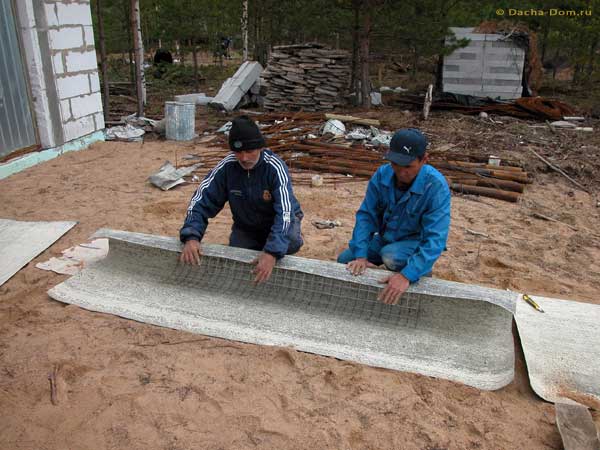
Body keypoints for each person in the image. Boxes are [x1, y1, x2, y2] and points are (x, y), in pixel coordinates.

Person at [179, 115, 304, 284]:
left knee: (289, 243)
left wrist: (272, 253)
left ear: (260, 147)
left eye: (249, 151)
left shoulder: (275, 167)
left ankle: (276, 248)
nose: (244, 158)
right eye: (238, 152)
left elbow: (285, 212)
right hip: (247, 226)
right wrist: (191, 236)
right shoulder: (226, 167)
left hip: (280, 221)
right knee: (238, 258)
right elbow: (200, 200)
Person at [337, 128, 451, 305]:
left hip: (413, 243)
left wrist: (407, 275)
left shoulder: (435, 186)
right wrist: (361, 256)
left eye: (408, 166)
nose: (401, 171)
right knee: (345, 260)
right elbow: (366, 216)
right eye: (396, 164)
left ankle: (421, 270)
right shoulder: (382, 174)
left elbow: (436, 238)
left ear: (424, 160)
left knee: (390, 256)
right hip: (386, 238)